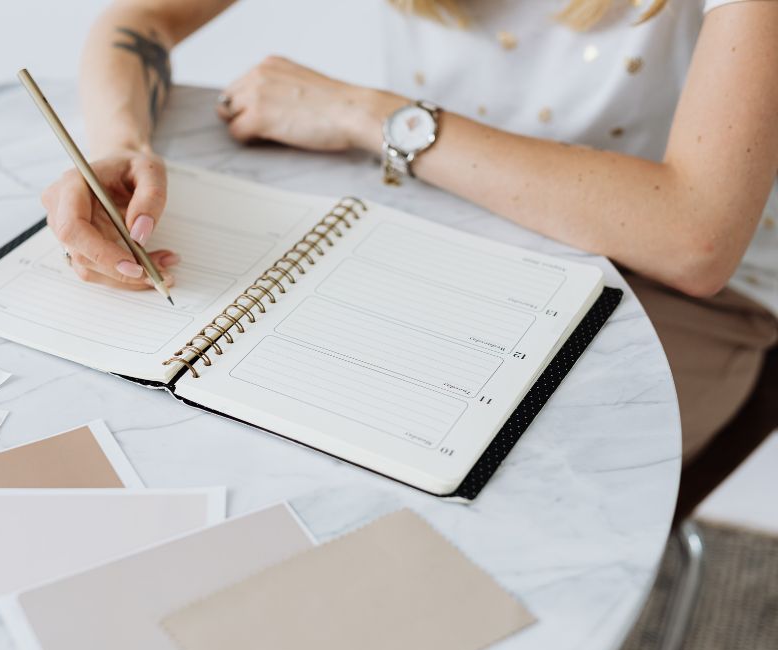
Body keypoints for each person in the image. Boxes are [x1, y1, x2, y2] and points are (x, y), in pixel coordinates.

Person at [41, 0, 778, 463]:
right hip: (462, 234)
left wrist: (367, 115)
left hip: (689, 303)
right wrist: (122, 146)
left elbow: (695, 238)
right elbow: (140, 20)